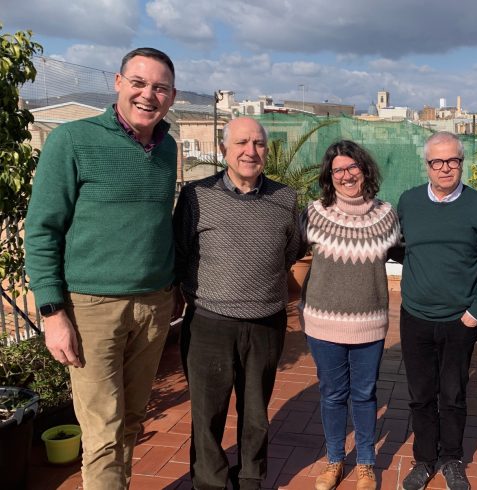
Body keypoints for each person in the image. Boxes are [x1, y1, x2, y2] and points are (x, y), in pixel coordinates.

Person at [24, 47, 178, 489]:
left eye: (160, 87)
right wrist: (53, 313)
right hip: (92, 308)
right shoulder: (70, 141)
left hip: (153, 304)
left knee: (130, 421)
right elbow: (42, 230)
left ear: (172, 95)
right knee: (103, 431)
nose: (148, 94)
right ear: (118, 82)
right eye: (139, 83)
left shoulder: (167, 148)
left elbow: (156, 222)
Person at [173, 117, 301, 489]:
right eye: (242, 143)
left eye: (259, 143)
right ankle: (209, 482)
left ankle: (250, 478)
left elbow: (290, 251)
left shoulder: (285, 197)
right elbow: (181, 251)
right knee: (207, 413)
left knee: (256, 413)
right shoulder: (197, 195)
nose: (251, 151)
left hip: (266, 322)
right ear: (224, 149)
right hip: (209, 323)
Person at [397, 131, 477, 490]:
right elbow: (398, 248)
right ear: (426, 165)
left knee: (454, 395)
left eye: (453, 161)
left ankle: (452, 458)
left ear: (462, 162)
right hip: (415, 316)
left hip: (460, 320)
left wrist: (475, 312)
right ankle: (425, 459)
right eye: (437, 162)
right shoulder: (409, 202)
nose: (445, 168)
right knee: (421, 395)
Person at [302, 140, 401, 490]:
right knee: (331, 394)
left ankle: (365, 462)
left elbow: (412, 255)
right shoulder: (313, 213)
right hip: (323, 324)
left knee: (364, 394)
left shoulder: (387, 215)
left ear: (364, 169)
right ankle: (333, 460)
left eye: (352, 167)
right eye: (338, 170)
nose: (346, 175)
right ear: (330, 176)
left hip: (369, 325)